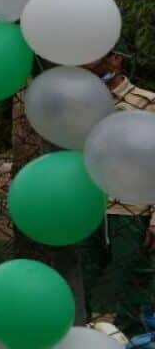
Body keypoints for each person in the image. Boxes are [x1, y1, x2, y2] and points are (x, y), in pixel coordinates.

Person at [81, 50, 155, 336]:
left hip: (132, 206)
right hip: (87, 204)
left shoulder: (147, 102)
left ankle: (135, 337)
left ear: (115, 60)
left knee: (134, 281)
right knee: (86, 277)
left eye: (93, 59)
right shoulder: (81, 105)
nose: (86, 67)